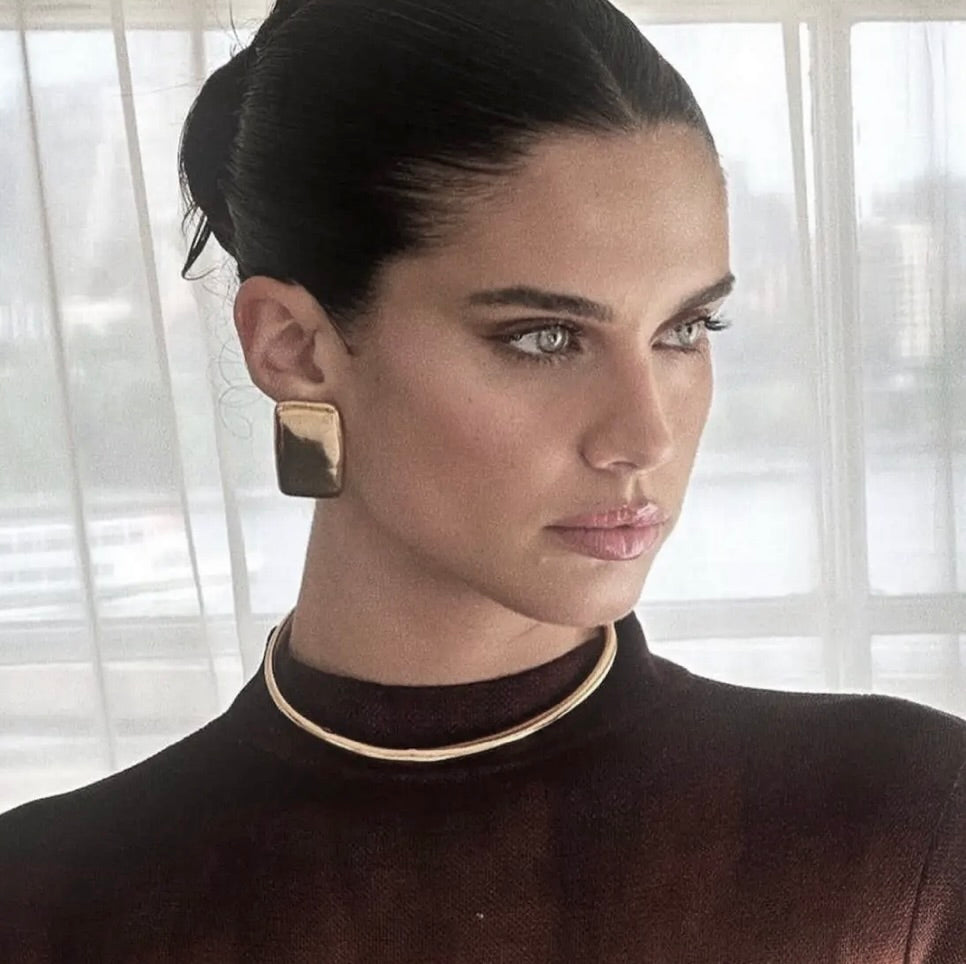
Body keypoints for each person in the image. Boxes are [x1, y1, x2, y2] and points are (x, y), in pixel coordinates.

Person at [1, 0, 964, 959]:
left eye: (684, 330)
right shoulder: (44, 903)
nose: (645, 436)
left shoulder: (905, 834)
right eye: (544, 338)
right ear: (294, 347)